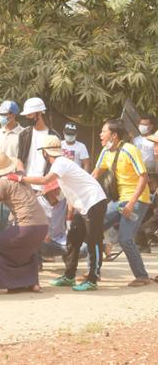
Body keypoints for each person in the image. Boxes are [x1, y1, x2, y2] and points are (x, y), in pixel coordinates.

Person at [18, 135, 108, 291]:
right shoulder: (61, 164)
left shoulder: (60, 163)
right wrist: (70, 214)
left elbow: (45, 180)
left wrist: (21, 179)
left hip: (94, 202)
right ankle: (69, 276)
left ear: (45, 153)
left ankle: (92, 279)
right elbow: (67, 191)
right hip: (84, 205)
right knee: (73, 239)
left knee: (94, 242)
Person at [0, 153, 49, 293]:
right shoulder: (20, 176)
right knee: (27, 251)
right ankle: (33, 283)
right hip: (42, 225)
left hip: (26, 226)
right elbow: (19, 161)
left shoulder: (3, 182)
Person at [94, 119, 153, 287]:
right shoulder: (105, 152)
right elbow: (94, 175)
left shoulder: (130, 150)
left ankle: (142, 276)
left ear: (113, 135)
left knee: (125, 238)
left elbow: (144, 177)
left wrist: (131, 204)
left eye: (103, 131)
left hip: (137, 200)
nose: (100, 134)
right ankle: (93, 273)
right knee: (94, 228)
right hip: (119, 200)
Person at [17, 97, 60, 191]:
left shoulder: (54, 136)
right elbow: (19, 158)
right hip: (26, 185)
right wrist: (20, 173)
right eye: (26, 115)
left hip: (46, 187)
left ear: (39, 113)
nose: (27, 117)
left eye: (29, 115)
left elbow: (56, 163)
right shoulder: (24, 135)